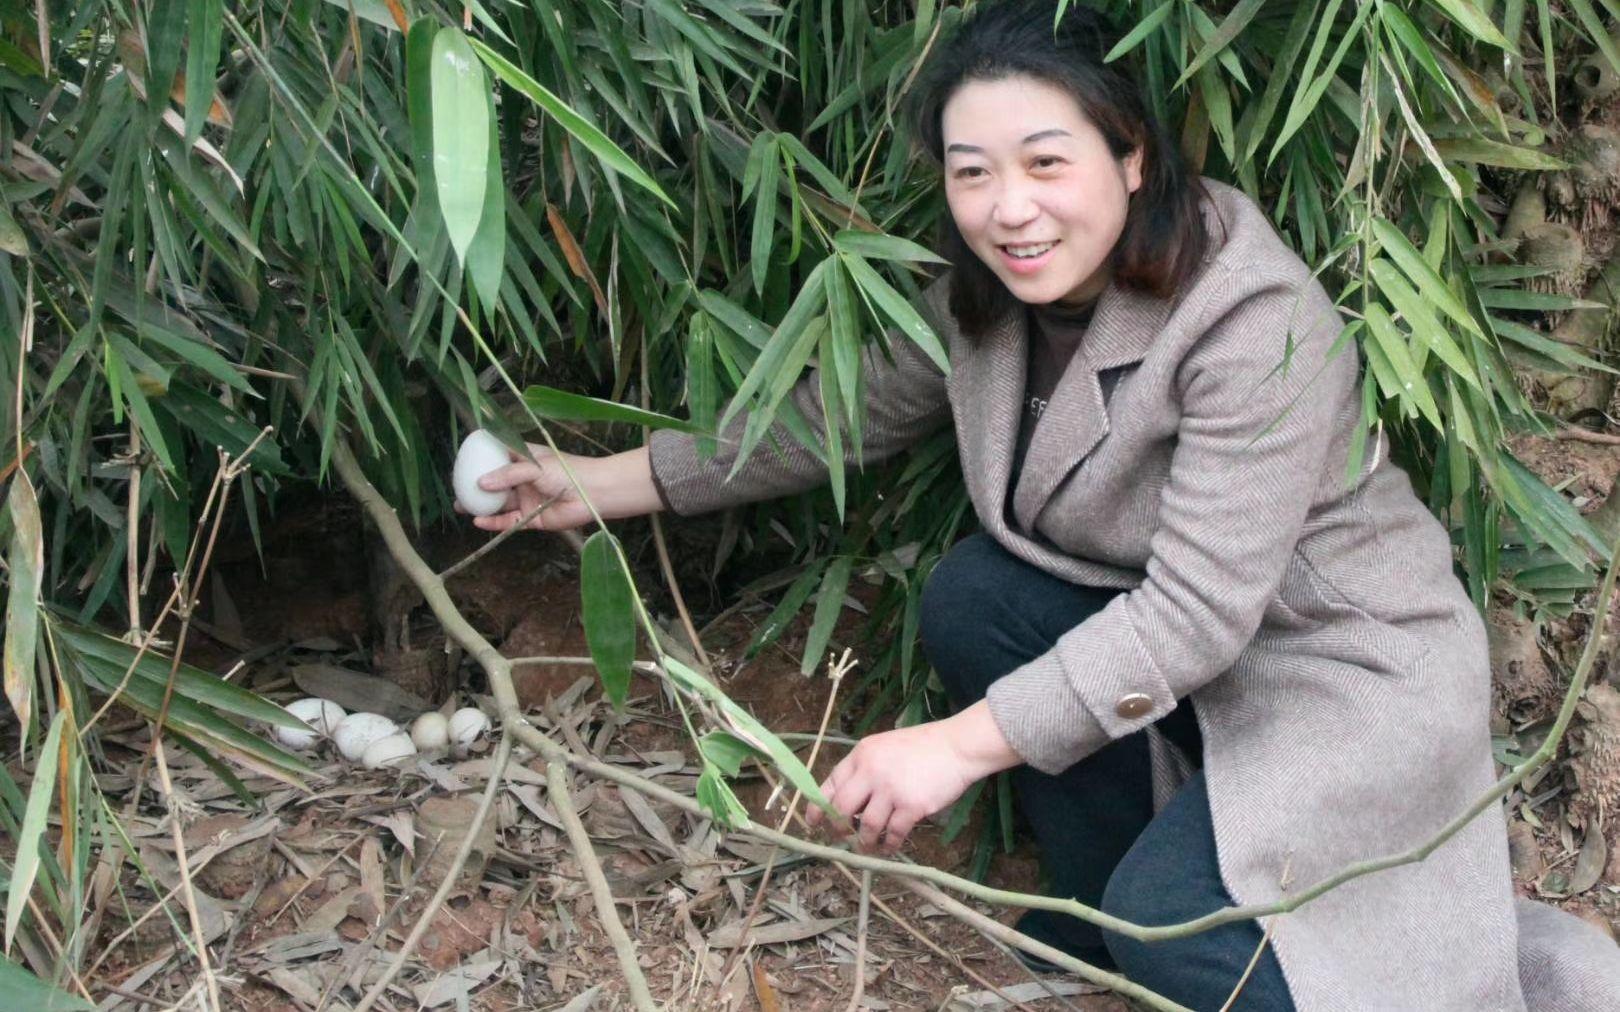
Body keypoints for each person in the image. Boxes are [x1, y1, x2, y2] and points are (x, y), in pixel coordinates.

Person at [466, 1, 1620, 1007]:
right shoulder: (991, 293)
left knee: (1176, 936)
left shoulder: (1251, 317)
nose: (1008, 208)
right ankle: (1115, 904)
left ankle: (1466, 973)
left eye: (1045, 162)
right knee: (978, 598)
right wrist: (601, 484)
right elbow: (839, 415)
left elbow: (1195, 619)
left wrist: (956, 749)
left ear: (1130, 158)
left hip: (1340, 667)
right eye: (973, 172)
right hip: (1189, 657)